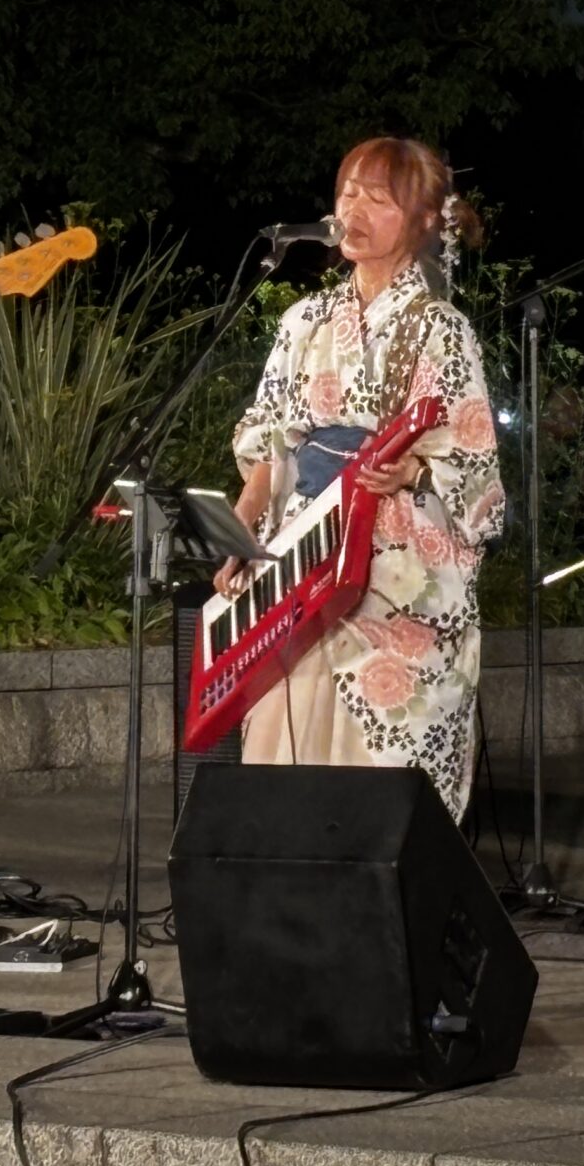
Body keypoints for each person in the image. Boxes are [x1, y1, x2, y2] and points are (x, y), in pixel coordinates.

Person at [215, 138, 505, 817]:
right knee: (285, 743)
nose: (355, 212)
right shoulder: (305, 321)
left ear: (424, 220)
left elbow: (472, 462)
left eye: (378, 200)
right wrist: (242, 532)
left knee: (378, 778)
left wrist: (415, 468)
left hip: (394, 564)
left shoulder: (440, 330)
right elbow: (269, 441)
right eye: (348, 195)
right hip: (300, 556)